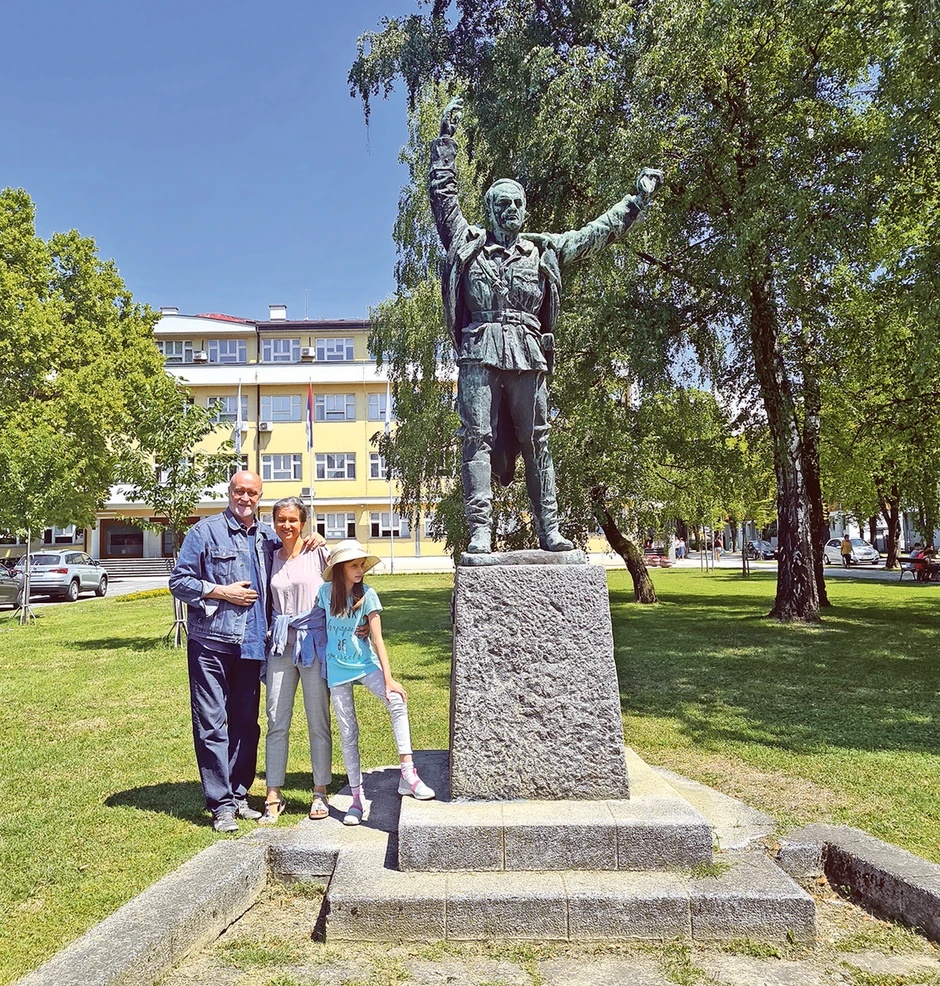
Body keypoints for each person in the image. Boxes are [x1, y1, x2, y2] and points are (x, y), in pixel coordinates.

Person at [429, 96, 662, 554]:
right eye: (502, 203)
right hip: (479, 353)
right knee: (475, 439)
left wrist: (635, 202)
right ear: (490, 210)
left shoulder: (542, 251)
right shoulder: (467, 244)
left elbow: (594, 234)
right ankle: (480, 531)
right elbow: (443, 195)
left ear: (524, 210)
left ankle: (549, 528)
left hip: (528, 353)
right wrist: (446, 141)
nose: (511, 209)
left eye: (517, 203)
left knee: (538, 440)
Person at [169, 471, 325, 833]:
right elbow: (179, 581)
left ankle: (240, 794)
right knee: (211, 723)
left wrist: (315, 537)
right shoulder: (204, 532)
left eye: (252, 493)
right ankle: (221, 804)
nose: (245, 498)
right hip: (211, 642)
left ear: (259, 496)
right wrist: (221, 591)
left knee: (246, 724)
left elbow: (293, 546)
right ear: (229, 492)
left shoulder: (268, 535)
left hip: (254, 643)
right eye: (240, 491)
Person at [315, 539, 435, 825]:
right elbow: (318, 626)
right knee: (348, 732)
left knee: (396, 700)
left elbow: (379, 639)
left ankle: (408, 773)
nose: (359, 570)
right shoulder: (323, 593)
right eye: (354, 566)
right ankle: (356, 800)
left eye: (361, 566)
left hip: (365, 665)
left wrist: (389, 678)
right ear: (341, 568)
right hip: (336, 671)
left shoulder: (367, 595)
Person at [260, 497, 332, 825]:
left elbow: (349, 579)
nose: (286, 525)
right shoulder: (270, 556)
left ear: (303, 522)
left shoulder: (318, 552)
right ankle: (273, 793)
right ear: (274, 523)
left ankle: (320, 791)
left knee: (318, 719)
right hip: (280, 646)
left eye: (292, 519)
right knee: (276, 719)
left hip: (314, 643)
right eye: (280, 520)